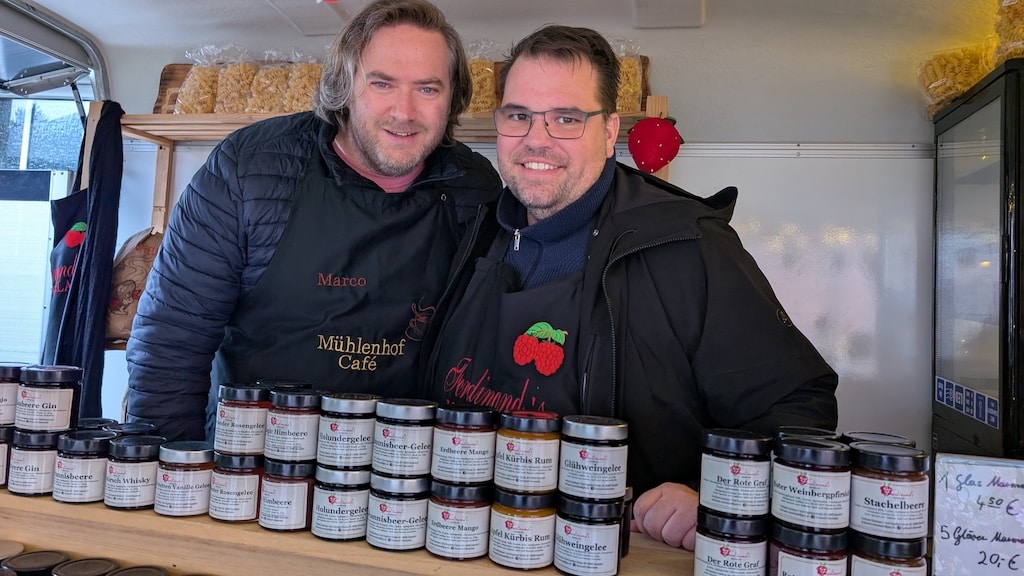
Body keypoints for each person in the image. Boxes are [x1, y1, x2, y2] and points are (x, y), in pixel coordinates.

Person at [421, 25, 838, 550]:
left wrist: (712, 496)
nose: (537, 138)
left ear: (609, 128)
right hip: (471, 540)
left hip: (624, 551)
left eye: (567, 119)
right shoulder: (479, 233)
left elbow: (798, 407)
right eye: (519, 115)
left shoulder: (689, 245)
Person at [126, 0, 501, 441]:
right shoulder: (248, 168)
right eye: (382, 84)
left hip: (404, 473)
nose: (404, 112)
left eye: (428, 89)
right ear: (344, 85)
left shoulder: (475, 188)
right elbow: (171, 340)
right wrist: (176, 474)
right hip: (254, 466)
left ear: (452, 99)